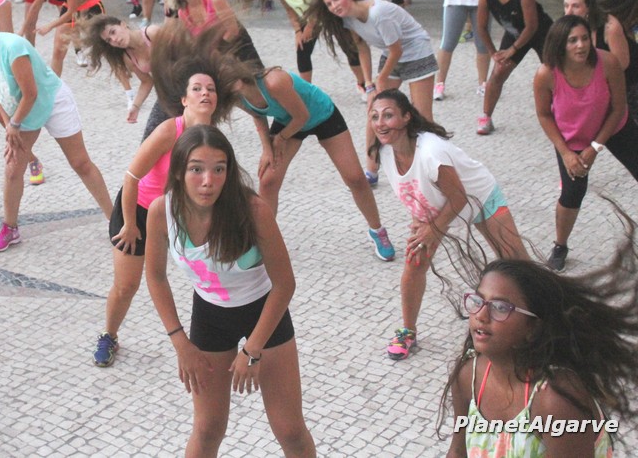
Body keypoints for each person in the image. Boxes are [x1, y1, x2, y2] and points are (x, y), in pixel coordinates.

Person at [144, 124, 316, 457]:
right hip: (209, 316)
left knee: (290, 430)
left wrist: (252, 350)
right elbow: (155, 276)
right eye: (196, 169)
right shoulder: (161, 212)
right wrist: (180, 342)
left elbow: (285, 284)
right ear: (178, 171)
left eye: (219, 169)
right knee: (208, 429)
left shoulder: (252, 211)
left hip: (264, 312)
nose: (208, 181)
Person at [94, 58, 241, 367]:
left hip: (173, 215)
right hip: (137, 212)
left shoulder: (212, 138)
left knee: (207, 275)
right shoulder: (168, 131)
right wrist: (130, 224)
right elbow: (131, 178)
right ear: (184, 99)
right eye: (197, 88)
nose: (205, 93)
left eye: (210, 89)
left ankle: (220, 334)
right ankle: (109, 334)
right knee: (127, 285)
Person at [369, 89, 528, 362]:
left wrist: (432, 230)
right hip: (438, 209)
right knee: (414, 265)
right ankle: (408, 331)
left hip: (479, 198)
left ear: (406, 117)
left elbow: (459, 197)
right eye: (375, 117)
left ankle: (542, 316)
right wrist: (420, 223)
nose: (380, 123)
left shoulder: (431, 152)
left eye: (388, 115)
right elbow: (414, 188)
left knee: (517, 262)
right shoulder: (385, 152)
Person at [0, 6, 113, 252]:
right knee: (12, 170)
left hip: (51, 100)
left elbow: (31, 93)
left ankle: (115, 220)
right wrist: (9, 126)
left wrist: (15, 124)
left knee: (80, 163)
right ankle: (10, 229)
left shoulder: (12, 47)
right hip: (23, 112)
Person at [442, 254, 636, 457]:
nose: (481, 315)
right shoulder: (467, 375)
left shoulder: (556, 400)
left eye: (500, 307)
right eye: (478, 301)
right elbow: (457, 452)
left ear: (533, 328)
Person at [235, 63, 392, 260]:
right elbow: (257, 113)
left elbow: (302, 116)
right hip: (288, 120)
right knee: (268, 180)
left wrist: (280, 138)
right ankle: (262, 241)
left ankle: (377, 230)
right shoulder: (231, 94)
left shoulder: (273, 81)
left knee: (355, 178)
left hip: (320, 114)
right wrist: (267, 148)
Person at [534, 15, 638, 272]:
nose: (581, 45)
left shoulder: (607, 62)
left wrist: (596, 147)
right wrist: (566, 153)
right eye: (572, 41)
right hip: (574, 136)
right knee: (572, 193)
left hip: (615, 125)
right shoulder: (546, 74)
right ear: (560, 44)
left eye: (584, 39)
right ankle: (560, 246)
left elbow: (618, 108)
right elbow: (544, 115)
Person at [308, 0, 437, 184]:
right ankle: (371, 169)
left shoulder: (378, 13)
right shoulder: (347, 18)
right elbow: (361, 48)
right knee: (374, 111)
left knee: (423, 116)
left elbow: (397, 50)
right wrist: (369, 84)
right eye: (329, 4)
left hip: (416, 52)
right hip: (391, 55)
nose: (334, 6)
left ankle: (431, 165)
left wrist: (381, 79)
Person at [228, 0, 367, 94]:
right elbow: (290, 10)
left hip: (330, 13)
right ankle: (306, 92)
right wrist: (298, 31)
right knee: (302, 51)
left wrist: (309, 27)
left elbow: (319, 6)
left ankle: (363, 83)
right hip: (309, 18)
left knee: (348, 48)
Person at [475, 0, 553, 135]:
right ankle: (486, 117)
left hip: (542, 34)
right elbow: (481, 28)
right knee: (498, 72)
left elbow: (532, 27)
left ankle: (560, 114)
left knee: (553, 72)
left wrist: (513, 49)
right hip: (514, 34)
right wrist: (493, 52)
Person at [564, 0, 638, 125]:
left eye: (575, 6)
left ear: (588, 8)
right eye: (566, 6)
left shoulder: (609, 26)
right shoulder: (569, 27)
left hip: (630, 83)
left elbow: (621, 64)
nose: (568, 12)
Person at [161, 0, 262, 68]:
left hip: (237, 44)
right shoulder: (182, 13)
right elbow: (194, 41)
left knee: (256, 74)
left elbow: (233, 30)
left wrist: (215, 50)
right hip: (212, 53)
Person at [80, 14, 159, 127]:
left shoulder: (152, 33)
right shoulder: (128, 57)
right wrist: (135, 107)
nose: (114, 39)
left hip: (184, 85)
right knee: (152, 132)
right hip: (168, 94)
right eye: (109, 40)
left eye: (113, 32)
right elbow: (147, 81)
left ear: (123, 24)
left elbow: (182, 53)